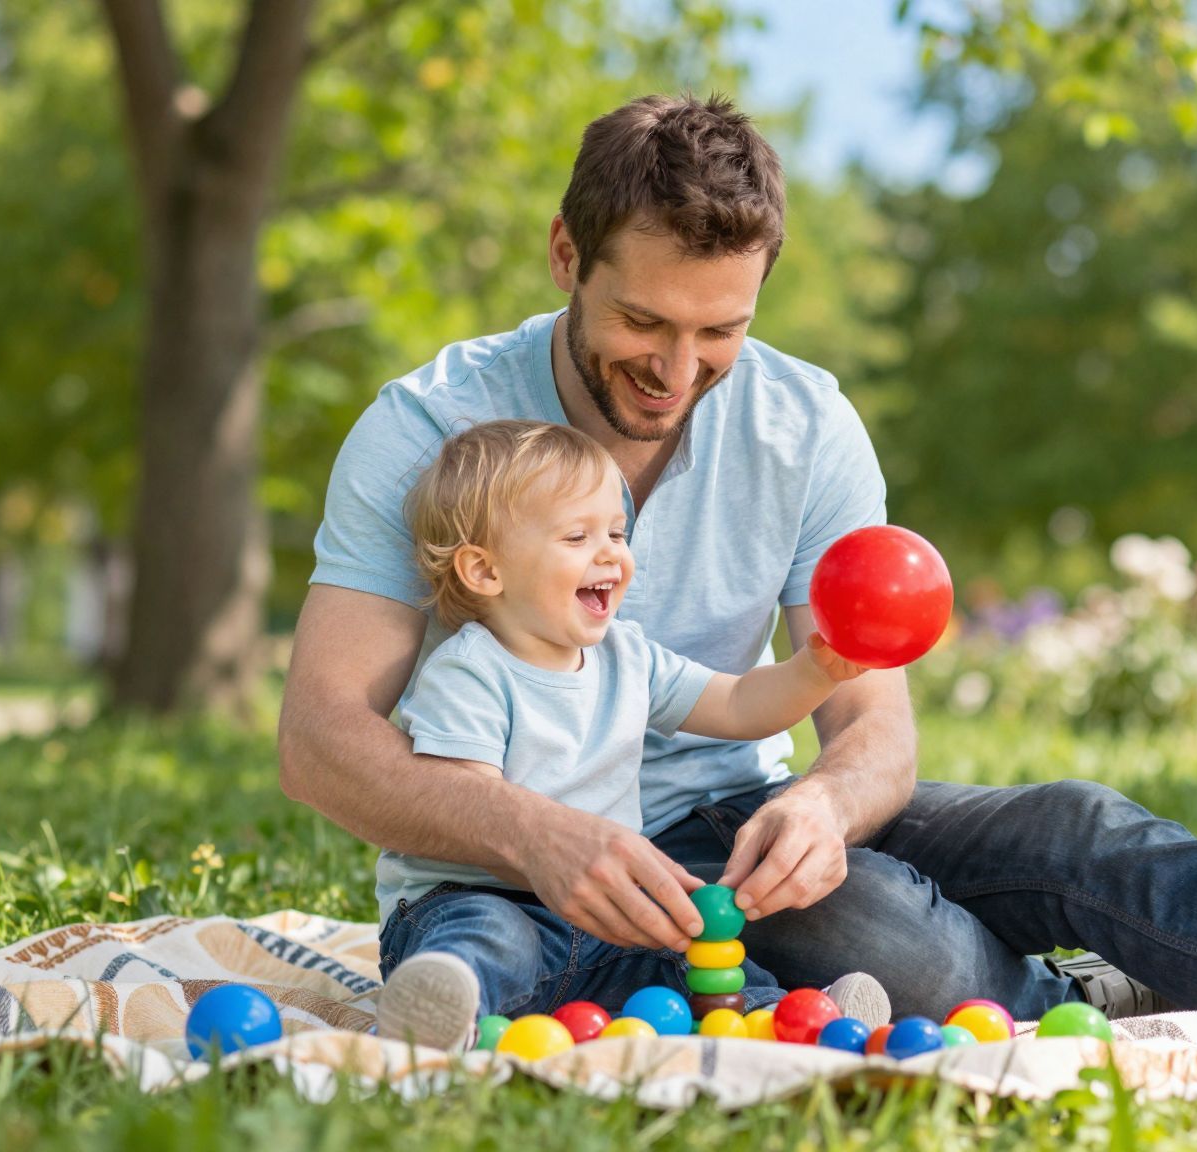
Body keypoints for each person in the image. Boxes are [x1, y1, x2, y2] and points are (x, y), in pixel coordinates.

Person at [281, 93, 1197, 1032]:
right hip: (525, 872)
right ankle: (1072, 991)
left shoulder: (799, 421)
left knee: (1074, 827)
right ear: (563, 256)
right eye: (645, 326)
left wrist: (835, 802)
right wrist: (539, 836)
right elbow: (321, 741)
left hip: (742, 820)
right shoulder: (431, 429)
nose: (679, 369)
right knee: (881, 940)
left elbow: (871, 722)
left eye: (718, 330)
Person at [372, 418, 887, 1049]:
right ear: (484, 570)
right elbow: (472, 804)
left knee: (692, 941)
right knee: (490, 938)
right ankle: (440, 1000)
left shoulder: (628, 655)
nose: (611, 552)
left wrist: (814, 669)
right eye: (577, 536)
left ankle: (790, 1018)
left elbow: (739, 704)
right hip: (480, 897)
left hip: (603, 911)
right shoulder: (468, 672)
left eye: (617, 531)